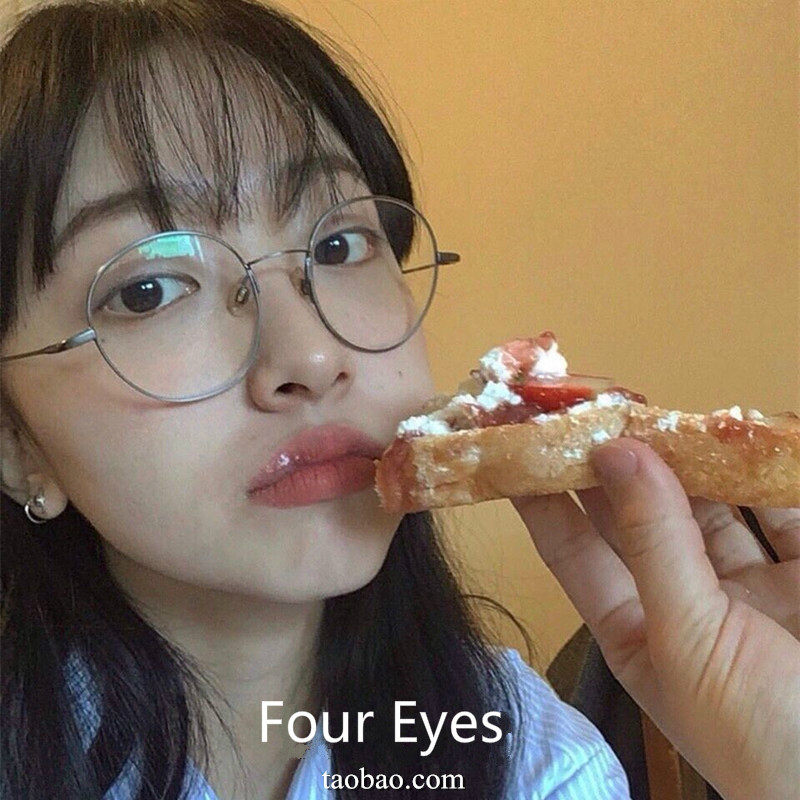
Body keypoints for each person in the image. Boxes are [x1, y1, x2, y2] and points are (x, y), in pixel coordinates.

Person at [0, 2, 796, 799]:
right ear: (15, 441)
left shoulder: (533, 762)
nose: (312, 356)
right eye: (148, 289)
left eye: (338, 244)